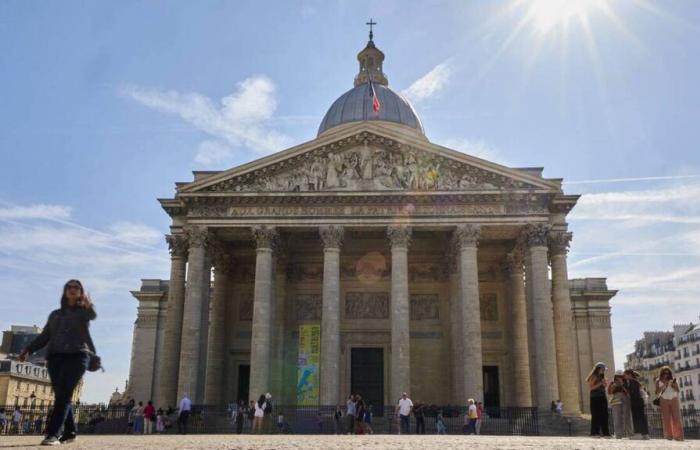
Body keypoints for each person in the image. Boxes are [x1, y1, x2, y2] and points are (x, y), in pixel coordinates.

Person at [19, 279, 97, 446]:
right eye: (69, 287)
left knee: (63, 395)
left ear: (80, 291)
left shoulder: (83, 312)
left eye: (76, 287)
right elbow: (45, 336)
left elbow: (91, 315)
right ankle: (70, 431)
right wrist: (28, 349)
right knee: (63, 395)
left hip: (78, 356)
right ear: (64, 291)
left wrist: (88, 304)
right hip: (55, 357)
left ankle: (53, 434)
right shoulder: (55, 315)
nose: (72, 289)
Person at [656, 366, 683, 441]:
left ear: (670, 373)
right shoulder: (658, 381)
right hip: (664, 399)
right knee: (666, 418)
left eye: (667, 373)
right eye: (664, 373)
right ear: (661, 373)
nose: (666, 374)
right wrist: (664, 384)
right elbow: (657, 392)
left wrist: (673, 385)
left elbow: (678, 390)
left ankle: (678, 436)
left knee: (676, 418)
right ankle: (669, 436)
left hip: (674, 398)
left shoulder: (673, 380)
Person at [623, 369, 650, 440]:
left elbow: (631, 392)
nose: (624, 376)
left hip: (635, 402)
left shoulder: (632, 382)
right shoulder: (636, 382)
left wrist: (624, 386)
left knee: (636, 418)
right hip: (639, 402)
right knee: (642, 418)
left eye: (625, 375)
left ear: (629, 375)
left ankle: (638, 433)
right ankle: (645, 434)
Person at [586, 362, 610, 437]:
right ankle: (594, 432)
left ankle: (606, 433)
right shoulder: (593, 376)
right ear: (598, 369)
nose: (604, 371)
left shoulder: (602, 377)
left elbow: (604, 387)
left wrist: (604, 384)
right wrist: (600, 383)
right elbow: (591, 388)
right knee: (596, 415)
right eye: (603, 369)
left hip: (602, 396)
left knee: (605, 414)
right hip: (595, 397)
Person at [607, 371, 631, 439]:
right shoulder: (612, 383)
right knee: (617, 418)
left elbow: (628, 392)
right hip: (615, 400)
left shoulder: (626, 383)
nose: (619, 378)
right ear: (615, 377)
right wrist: (614, 386)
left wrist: (622, 385)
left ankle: (629, 434)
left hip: (625, 399)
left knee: (627, 417)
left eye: (621, 376)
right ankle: (618, 435)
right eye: (618, 376)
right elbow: (610, 392)